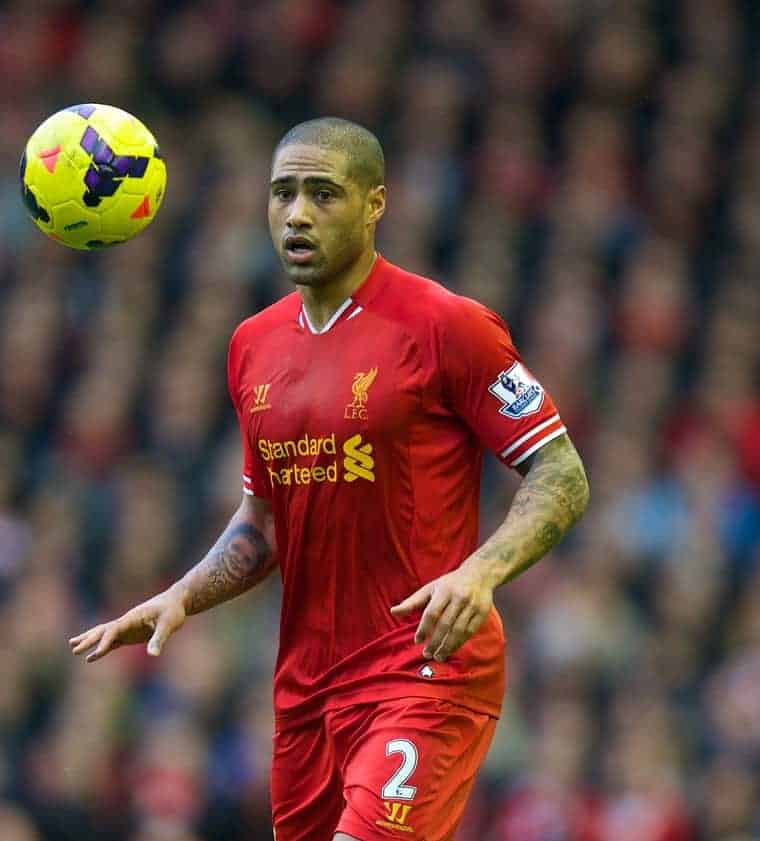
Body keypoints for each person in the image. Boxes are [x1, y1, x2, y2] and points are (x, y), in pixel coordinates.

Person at [70, 117, 590, 841]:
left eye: (323, 193)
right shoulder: (252, 344)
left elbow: (560, 472)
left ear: (376, 203)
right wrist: (182, 594)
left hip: (425, 668)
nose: (297, 214)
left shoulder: (448, 325)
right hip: (308, 690)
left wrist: (480, 574)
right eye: (283, 194)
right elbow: (265, 521)